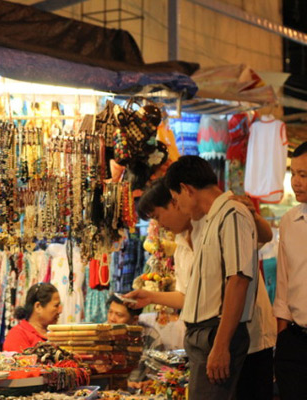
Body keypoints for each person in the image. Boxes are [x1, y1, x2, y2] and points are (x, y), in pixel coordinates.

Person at [130, 178, 277, 400]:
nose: (159, 225)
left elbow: (261, 243)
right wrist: (150, 296)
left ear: (176, 201)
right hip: (214, 342)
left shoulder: (219, 221)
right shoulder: (180, 245)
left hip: (249, 337)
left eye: (158, 216)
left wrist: (251, 213)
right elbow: (188, 297)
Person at [273, 141, 307, 399]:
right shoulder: (290, 222)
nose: (296, 182)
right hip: (295, 341)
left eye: (303, 175)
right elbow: (282, 285)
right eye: (293, 174)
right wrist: (282, 338)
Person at [3, 282, 62, 352]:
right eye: (56, 306)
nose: (60, 311)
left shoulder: (55, 334)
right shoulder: (17, 335)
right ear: (38, 307)